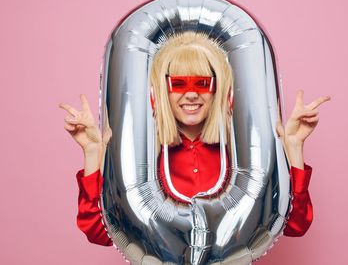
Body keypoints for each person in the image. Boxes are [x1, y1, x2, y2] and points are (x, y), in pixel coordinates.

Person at [59, 32, 330, 246]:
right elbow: (100, 232)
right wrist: (93, 154)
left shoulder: (242, 158)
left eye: (202, 84)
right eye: (178, 84)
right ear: (162, 92)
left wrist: (293, 149)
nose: (191, 95)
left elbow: (294, 225)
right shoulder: (141, 160)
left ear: (218, 90)